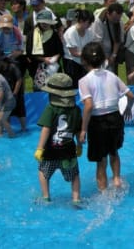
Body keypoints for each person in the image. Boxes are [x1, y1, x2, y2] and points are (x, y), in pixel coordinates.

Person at [78, 42, 134, 191]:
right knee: (114, 152)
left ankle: (103, 192)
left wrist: (83, 130)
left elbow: (89, 106)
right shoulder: (112, 75)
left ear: (84, 60)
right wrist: (128, 108)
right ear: (104, 59)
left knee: (100, 160)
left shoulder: (84, 81)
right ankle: (116, 180)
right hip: (116, 118)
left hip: (97, 122)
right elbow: (131, 94)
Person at [34, 73, 82, 204]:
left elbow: (46, 128)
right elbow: (79, 130)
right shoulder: (76, 109)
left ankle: (46, 197)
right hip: (68, 151)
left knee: (43, 172)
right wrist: (79, 145)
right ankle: (76, 199)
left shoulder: (50, 108)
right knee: (75, 175)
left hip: (50, 151)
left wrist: (39, 148)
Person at [26, 10, 64, 90]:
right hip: (37, 68)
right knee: (39, 91)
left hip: (53, 68)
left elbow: (60, 51)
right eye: (43, 22)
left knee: (54, 89)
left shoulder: (54, 34)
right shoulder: (32, 34)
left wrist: (55, 58)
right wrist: (43, 59)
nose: (45, 24)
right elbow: (29, 53)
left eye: (47, 22)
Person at [63, 9, 94, 88]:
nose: (90, 25)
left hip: (84, 61)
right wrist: (91, 54)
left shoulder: (89, 32)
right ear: (80, 21)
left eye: (91, 23)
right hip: (71, 63)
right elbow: (74, 53)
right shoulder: (71, 32)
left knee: (86, 86)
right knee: (74, 86)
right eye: (88, 23)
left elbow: (90, 47)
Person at [90, 3, 124, 73]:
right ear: (108, 13)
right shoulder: (98, 21)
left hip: (112, 52)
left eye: (118, 18)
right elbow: (98, 41)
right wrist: (106, 57)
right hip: (99, 51)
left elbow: (118, 40)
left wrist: (113, 55)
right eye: (114, 18)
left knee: (112, 74)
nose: (116, 21)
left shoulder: (119, 21)